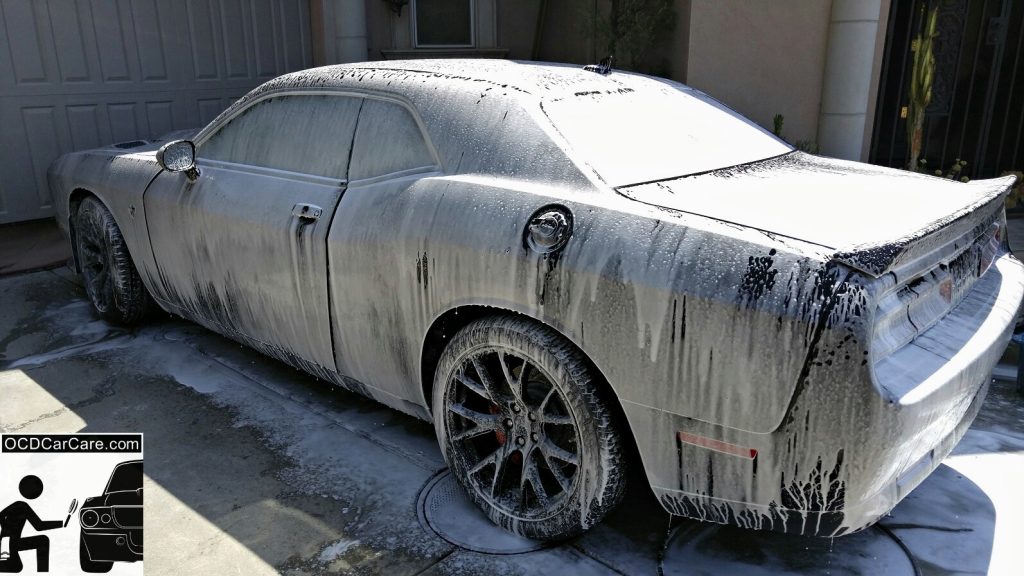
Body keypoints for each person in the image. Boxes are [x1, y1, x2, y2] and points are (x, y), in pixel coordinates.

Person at [0, 476, 64, 573]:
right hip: (10, 544)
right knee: (43, 540)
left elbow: (1, 515)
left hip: (8, 543)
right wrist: (61, 523)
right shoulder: (22, 505)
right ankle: (42, 573)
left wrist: (5, 534)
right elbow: (39, 526)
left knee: (16, 566)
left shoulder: (17, 504)